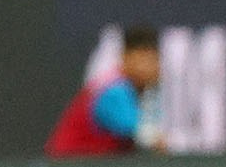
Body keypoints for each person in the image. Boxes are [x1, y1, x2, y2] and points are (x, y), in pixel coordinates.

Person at [46, 27, 162, 158]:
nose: (150, 66)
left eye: (155, 60)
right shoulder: (113, 90)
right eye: (143, 59)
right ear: (125, 58)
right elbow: (144, 134)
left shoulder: (147, 92)